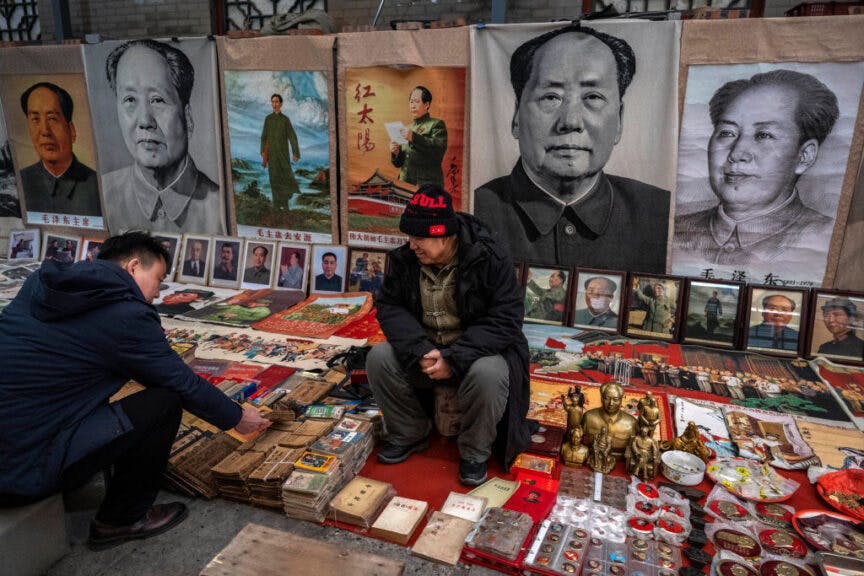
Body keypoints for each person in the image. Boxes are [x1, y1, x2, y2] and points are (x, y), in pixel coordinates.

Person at [0, 232, 268, 550]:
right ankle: (120, 520)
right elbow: (179, 382)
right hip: (19, 470)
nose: (156, 293)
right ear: (133, 267)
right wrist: (237, 417)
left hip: (15, 438)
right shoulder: (125, 315)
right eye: (158, 279)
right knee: (162, 403)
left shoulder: (43, 284)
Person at [365, 184, 531, 486]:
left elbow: (506, 319)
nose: (412, 245)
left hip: (475, 353)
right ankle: (409, 433)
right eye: (410, 237)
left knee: (490, 374)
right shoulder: (406, 260)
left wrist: (454, 358)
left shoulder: (489, 256)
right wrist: (420, 350)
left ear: (444, 234)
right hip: (426, 352)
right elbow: (389, 305)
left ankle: (474, 451)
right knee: (379, 358)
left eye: (420, 238)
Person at [474, 25, 670, 273]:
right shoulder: (473, 212)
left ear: (619, 120)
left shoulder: (661, 213)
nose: (570, 121)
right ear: (516, 116)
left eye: (593, 97)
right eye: (550, 97)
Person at [674, 70, 839, 267]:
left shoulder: (826, 236)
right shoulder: (673, 231)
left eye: (764, 135)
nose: (736, 153)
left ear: (804, 156)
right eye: (727, 132)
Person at [102, 39, 225, 235]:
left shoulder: (221, 207)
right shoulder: (102, 197)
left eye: (157, 100)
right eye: (130, 100)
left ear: (188, 117)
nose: (144, 121)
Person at [18, 82, 101, 217]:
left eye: (52, 119)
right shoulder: (21, 182)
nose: (45, 131)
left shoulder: (96, 185)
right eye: (35, 119)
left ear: (72, 130)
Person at [389, 86, 448, 187]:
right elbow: (399, 163)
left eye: (416, 101)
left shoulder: (436, 124)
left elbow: (437, 150)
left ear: (427, 104)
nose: (412, 105)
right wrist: (396, 153)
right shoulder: (406, 128)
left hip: (426, 186)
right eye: (411, 102)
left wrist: (413, 137)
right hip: (404, 184)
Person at [261, 93, 301, 211]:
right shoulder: (268, 119)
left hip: (283, 155)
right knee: (273, 179)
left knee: (284, 179)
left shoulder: (285, 120)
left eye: (277, 102)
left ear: (281, 104)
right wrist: (263, 152)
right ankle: (276, 205)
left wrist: (296, 153)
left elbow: (292, 136)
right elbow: (264, 137)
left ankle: (285, 204)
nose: (274, 104)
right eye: (273, 102)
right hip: (272, 156)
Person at [581, 380, 637, 459]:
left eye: (615, 399)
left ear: (621, 399)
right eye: (607, 398)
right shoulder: (588, 417)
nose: (611, 403)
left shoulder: (631, 423)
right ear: (601, 398)